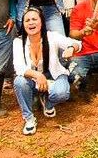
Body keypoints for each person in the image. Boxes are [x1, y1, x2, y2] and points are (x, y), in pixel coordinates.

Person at [12, 7, 81, 135]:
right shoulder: (18, 42)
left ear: (41, 22)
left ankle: (48, 101)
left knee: (61, 93)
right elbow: (19, 68)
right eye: (27, 20)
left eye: (34, 19)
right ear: (23, 24)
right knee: (19, 82)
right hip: (33, 79)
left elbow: (77, 43)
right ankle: (29, 118)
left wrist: (71, 48)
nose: (31, 23)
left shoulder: (51, 37)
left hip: (52, 75)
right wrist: (38, 75)